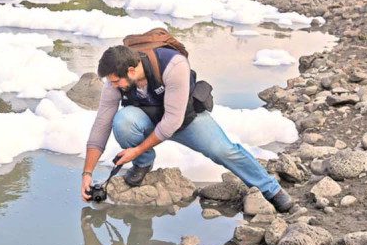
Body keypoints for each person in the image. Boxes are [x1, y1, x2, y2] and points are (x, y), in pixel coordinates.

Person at [80, 43, 293, 212]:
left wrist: (136, 149)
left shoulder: (173, 66)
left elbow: (172, 121)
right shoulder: (115, 81)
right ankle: (143, 164)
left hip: (184, 119)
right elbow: (102, 124)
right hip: (147, 116)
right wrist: (87, 174)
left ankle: (271, 190)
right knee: (122, 122)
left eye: (117, 81)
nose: (113, 86)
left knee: (223, 150)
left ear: (131, 70)